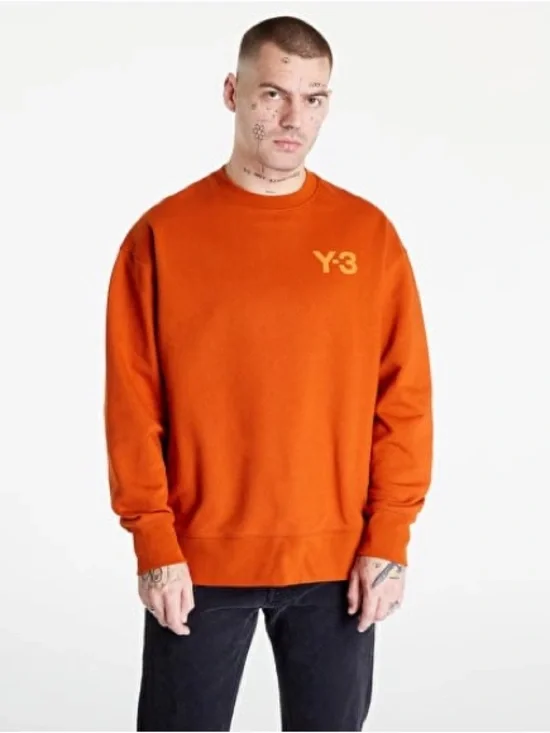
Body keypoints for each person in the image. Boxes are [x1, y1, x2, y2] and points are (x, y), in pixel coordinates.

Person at [103, 14, 433, 732]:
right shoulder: (163, 235)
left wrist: (389, 536)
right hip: (196, 561)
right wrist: (154, 543)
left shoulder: (367, 236)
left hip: (339, 563)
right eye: (274, 94)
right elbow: (133, 406)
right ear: (233, 92)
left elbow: (403, 400)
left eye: (314, 98)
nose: (293, 118)